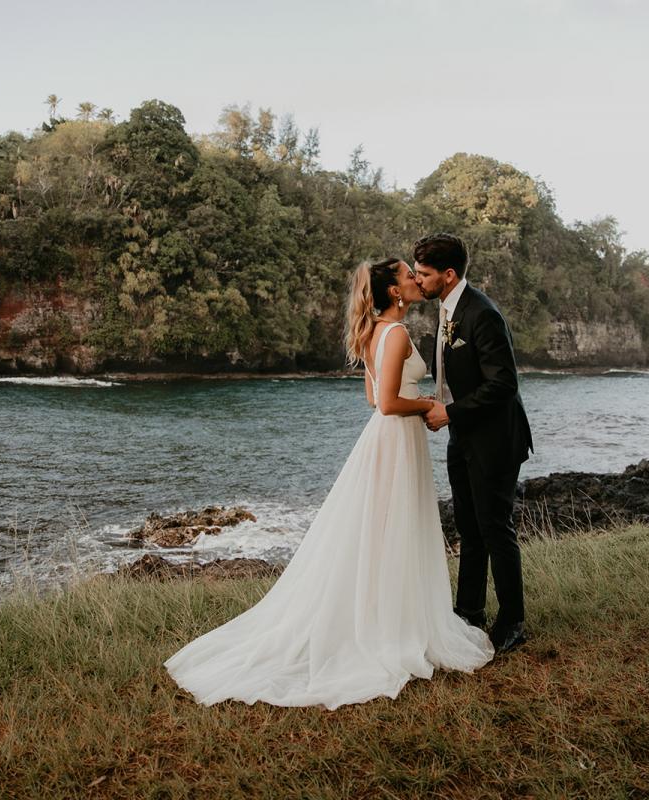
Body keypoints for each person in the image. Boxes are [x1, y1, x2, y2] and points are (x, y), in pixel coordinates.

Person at [164, 257, 493, 709]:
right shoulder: (395, 334)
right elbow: (388, 406)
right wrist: (427, 406)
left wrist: (414, 404)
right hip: (395, 439)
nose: (416, 281)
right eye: (407, 276)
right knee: (394, 530)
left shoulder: (375, 331)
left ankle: (384, 617)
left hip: (386, 443)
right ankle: (390, 629)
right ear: (394, 291)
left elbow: (372, 394)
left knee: (381, 532)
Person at [413, 233, 534, 655]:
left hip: (495, 439)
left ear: (448, 275)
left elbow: (504, 383)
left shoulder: (481, 313)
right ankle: (468, 612)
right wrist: (440, 402)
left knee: (495, 527)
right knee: (468, 527)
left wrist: (451, 411)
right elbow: (457, 375)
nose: (418, 280)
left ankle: (513, 621)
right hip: (463, 437)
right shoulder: (447, 311)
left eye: (424, 274)